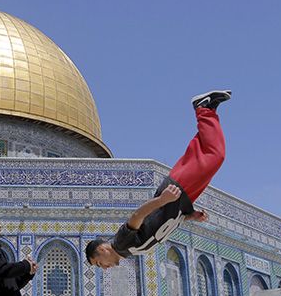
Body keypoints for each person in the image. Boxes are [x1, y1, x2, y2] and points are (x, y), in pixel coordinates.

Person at [85, 90, 231, 268]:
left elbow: (138, 215)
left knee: (215, 157)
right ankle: (209, 110)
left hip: (174, 192)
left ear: (101, 250)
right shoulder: (127, 251)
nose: (105, 267)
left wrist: (163, 199)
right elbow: (160, 223)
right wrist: (188, 217)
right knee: (206, 154)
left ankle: (203, 108)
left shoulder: (120, 243)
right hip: (181, 201)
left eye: (99, 263)